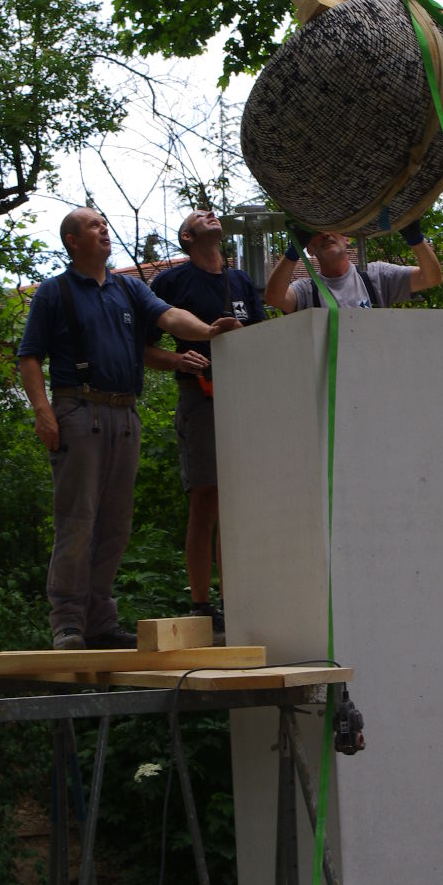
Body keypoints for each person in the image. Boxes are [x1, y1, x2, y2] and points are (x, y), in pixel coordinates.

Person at [17, 207, 231, 650]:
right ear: (73, 241)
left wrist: (208, 331)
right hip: (79, 409)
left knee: (115, 523)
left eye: (103, 224)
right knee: (77, 520)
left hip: (125, 413)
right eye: (94, 225)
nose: (104, 229)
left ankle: (99, 619)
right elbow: (29, 357)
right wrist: (43, 411)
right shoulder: (54, 292)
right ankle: (68, 623)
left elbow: (171, 317)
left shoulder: (129, 289)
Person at [148, 209, 265, 637]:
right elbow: (143, 348)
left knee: (242, 505)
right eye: (201, 215)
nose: (212, 214)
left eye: (213, 211)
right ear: (186, 237)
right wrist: (180, 357)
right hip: (201, 396)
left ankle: (239, 602)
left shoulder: (242, 282)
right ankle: (202, 605)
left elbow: (266, 341)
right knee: (207, 500)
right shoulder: (171, 284)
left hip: (247, 401)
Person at [263, 220, 443, 313]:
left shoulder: (376, 276)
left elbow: (431, 278)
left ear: (347, 238)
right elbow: (274, 298)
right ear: (308, 248)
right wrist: (292, 253)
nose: (325, 234)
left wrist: (416, 239)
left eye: (332, 227)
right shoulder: (307, 290)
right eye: (316, 232)